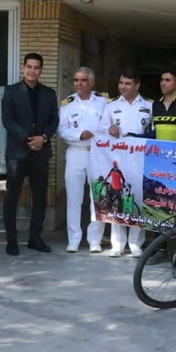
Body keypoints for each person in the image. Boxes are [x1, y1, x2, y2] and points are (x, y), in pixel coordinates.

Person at [2, 53, 59, 256]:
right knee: (12, 197)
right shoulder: (11, 91)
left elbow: (54, 120)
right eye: (29, 67)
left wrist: (42, 138)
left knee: (40, 198)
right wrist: (28, 139)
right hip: (17, 154)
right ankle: (11, 240)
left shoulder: (49, 94)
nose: (32, 71)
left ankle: (35, 239)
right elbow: (8, 121)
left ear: (41, 70)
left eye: (36, 67)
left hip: (40, 154)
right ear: (23, 68)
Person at [99, 67, 153, 258]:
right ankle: (117, 244)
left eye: (128, 83)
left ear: (137, 85)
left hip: (139, 158)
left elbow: (154, 131)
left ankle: (135, 243)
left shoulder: (149, 105)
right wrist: (109, 128)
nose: (123, 87)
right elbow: (101, 127)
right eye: (121, 83)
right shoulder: (111, 105)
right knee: (117, 199)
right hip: (117, 158)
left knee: (136, 198)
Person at [57, 67, 108, 253]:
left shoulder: (103, 102)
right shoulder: (67, 103)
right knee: (73, 198)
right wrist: (79, 135)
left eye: (83, 80)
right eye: (76, 80)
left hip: (98, 154)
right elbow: (61, 130)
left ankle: (95, 240)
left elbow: (109, 126)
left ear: (91, 82)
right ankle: (74, 239)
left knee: (98, 198)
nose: (79, 83)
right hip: (76, 152)